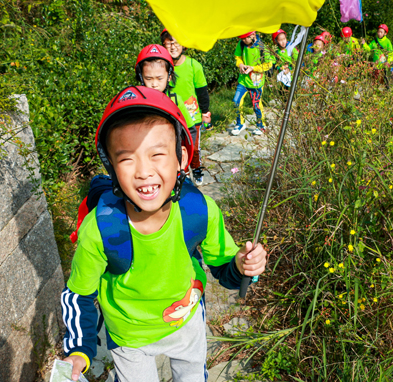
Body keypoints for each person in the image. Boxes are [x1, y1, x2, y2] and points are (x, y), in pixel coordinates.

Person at [61, 86, 268, 382]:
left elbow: (224, 266)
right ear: (111, 167)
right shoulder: (101, 228)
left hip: (186, 323)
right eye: (126, 159)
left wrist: (241, 264)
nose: (144, 172)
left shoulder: (199, 210)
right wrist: (79, 351)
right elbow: (79, 294)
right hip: (129, 335)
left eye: (157, 154)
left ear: (181, 157)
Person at [161, 29, 211, 185]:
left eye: (176, 42)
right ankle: (182, 172)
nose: (173, 46)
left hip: (192, 116)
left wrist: (205, 112)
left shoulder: (193, 65)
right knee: (175, 146)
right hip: (171, 114)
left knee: (193, 147)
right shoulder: (162, 66)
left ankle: (195, 168)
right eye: (168, 43)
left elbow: (202, 92)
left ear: (183, 45)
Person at [232, 31, 275, 136]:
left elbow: (268, 64)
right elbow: (237, 56)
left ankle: (261, 125)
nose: (243, 40)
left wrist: (253, 68)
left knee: (256, 105)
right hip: (243, 80)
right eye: (241, 39)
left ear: (253, 35)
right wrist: (240, 64)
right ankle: (240, 123)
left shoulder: (262, 47)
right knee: (236, 101)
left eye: (245, 38)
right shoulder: (241, 44)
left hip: (256, 82)